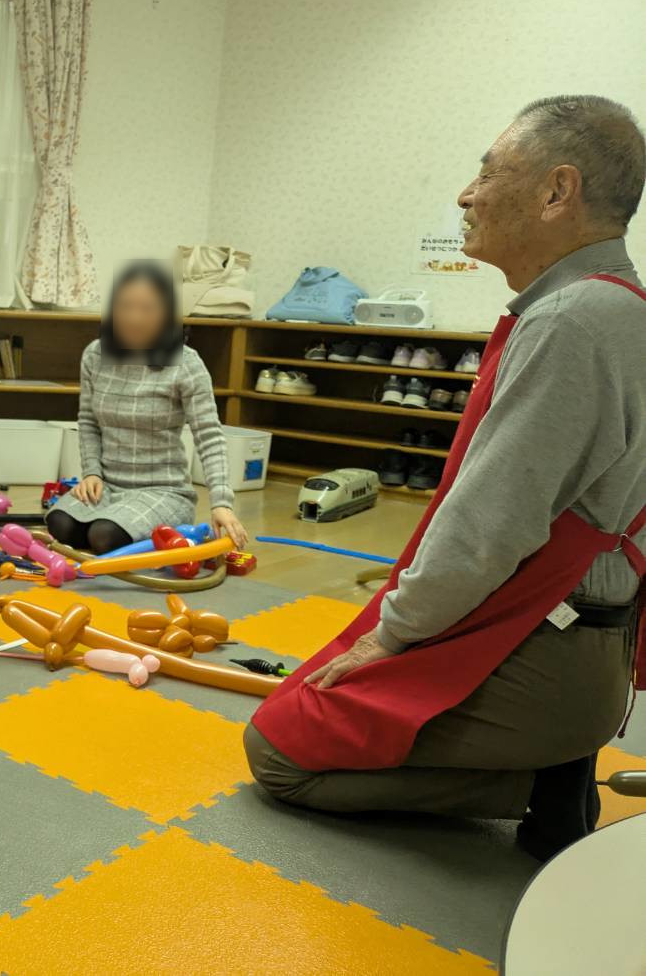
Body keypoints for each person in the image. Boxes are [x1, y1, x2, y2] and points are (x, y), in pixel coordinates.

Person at [245, 96, 646, 861]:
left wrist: (389, 636)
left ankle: (537, 780)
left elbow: (488, 527)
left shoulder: (571, 321)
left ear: (556, 191)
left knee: (278, 750)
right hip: (589, 640)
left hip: (540, 649)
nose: (466, 194)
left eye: (487, 173)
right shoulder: (621, 308)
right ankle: (550, 760)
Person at [47, 260, 248, 557]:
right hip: (108, 487)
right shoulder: (94, 355)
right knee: (60, 524)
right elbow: (88, 421)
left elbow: (209, 436)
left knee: (104, 535)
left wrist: (221, 503)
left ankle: (149, 523)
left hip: (163, 491)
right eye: (126, 306)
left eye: (147, 308)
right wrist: (92, 474)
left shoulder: (187, 363)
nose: (135, 317)